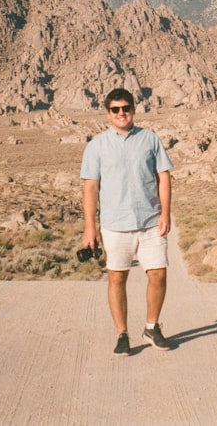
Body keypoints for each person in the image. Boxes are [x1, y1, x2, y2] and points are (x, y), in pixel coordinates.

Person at [80, 87, 174, 356]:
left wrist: (165, 214)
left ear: (134, 109)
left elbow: (164, 177)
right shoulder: (97, 145)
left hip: (151, 222)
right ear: (108, 113)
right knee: (117, 278)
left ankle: (151, 327)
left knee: (158, 274)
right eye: (115, 109)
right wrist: (90, 228)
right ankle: (122, 334)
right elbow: (90, 187)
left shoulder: (149, 139)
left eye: (126, 108)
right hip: (115, 224)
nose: (121, 113)